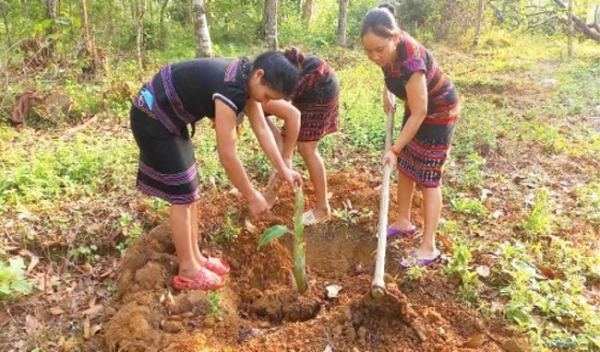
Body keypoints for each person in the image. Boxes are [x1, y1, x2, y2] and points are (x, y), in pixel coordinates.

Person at [130, 50, 304, 291]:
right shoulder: (230, 90)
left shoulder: (246, 76)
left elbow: (262, 129)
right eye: (266, 96)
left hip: (169, 117)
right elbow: (227, 154)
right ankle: (188, 270)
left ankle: (196, 258)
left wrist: (282, 168)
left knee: (190, 191)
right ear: (259, 76)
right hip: (152, 116)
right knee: (181, 197)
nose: (264, 103)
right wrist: (253, 196)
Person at [361, 3, 460, 267]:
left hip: (438, 112)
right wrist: (387, 92)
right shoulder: (386, 51)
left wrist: (393, 149)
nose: (373, 56)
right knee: (406, 166)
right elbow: (388, 69)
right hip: (415, 106)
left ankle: (429, 247)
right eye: (367, 50)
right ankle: (403, 221)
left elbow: (421, 111)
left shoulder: (411, 59)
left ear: (394, 37)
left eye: (378, 50)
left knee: (428, 176)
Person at [261, 48, 340, 226]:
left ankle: (322, 208)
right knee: (288, 150)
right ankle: (269, 197)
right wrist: (281, 160)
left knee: (307, 149)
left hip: (321, 87)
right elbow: (277, 138)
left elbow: (292, 117)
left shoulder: (259, 96)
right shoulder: (257, 94)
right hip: (305, 84)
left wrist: (285, 158)